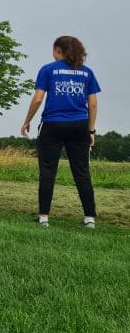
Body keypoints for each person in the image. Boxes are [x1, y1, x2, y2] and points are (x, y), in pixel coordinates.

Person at [20, 36, 100, 229]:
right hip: (79, 125)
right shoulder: (87, 72)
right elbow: (93, 104)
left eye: (53, 50)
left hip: (53, 125)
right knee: (82, 172)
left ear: (58, 50)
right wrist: (90, 130)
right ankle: (89, 219)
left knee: (48, 171)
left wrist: (27, 121)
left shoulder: (48, 70)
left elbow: (38, 99)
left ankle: (44, 218)